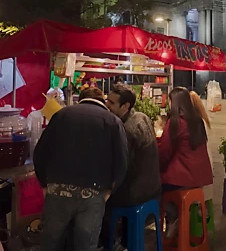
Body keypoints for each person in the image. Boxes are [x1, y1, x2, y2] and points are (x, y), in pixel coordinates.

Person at [34, 87, 128, 251]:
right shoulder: (113, 122)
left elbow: (40, 153)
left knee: (50, 243)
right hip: (93, 194)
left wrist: (44, 184)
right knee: (86, 244)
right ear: (102, 102)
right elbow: (122, 162)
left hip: (58, 190)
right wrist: (109, 191)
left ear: (81, 99)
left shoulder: (61, 115)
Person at [101, 84, 161, 250]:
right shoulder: (142, 117)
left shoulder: (126, 130)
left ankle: (109, 245)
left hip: (136, 193)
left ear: (125, 106)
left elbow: (119, 168)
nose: (107, 105)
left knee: (97, 203)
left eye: (112, 103)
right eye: (107, 100)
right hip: (152, 188)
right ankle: (125, 240)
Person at [158, 87, 213, 238]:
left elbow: (164, 152)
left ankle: (172, 220)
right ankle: (183, 220)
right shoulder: (198, 121)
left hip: (182, 177)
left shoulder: (176, 122)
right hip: (200, 177)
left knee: (158, 186)